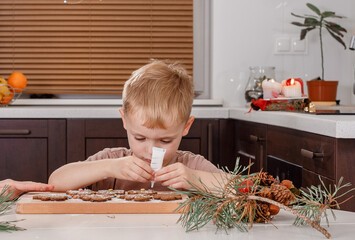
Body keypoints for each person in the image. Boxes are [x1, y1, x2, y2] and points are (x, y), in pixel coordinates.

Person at [49, 59, 227, 192]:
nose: (151, 150)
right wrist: (107, 167)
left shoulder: (191, 165)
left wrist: (195, 179)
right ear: (125, 120)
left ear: (186, 127)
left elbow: (246, 190)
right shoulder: (112, 160)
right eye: (140, 138)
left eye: (165, 140)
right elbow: (55, 183)